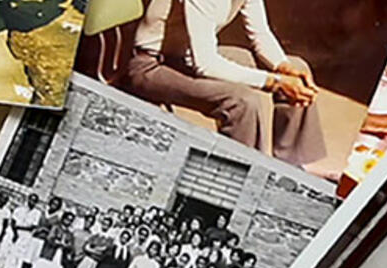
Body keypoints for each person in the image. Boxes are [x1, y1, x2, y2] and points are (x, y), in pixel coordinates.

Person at [123, 0, 327, 167]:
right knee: (242, 101)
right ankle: (240, 175)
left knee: (299, 68)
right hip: (150, 66)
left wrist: (283, 67)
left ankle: (288, 167)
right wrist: (275, 82)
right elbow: (206, 65)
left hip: (185, 57)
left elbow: (260, 33)